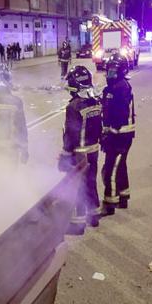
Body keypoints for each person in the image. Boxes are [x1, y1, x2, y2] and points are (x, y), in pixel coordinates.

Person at [59, 65, 103, 230]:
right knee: (91, 182)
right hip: (93, 150)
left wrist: (65, 155)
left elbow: (71, 134)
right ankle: (94, 216)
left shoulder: (73, 106)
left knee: (78, 186)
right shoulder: (95, 102)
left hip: (79, 154)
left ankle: (77, 223)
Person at [100, 54, 136, 216]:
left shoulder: (120, 88)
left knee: (110, 170)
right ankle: (123, 197)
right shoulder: (114, 87)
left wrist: (109, 133)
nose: (110, 74)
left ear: (121, 71)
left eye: (113, 71)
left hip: (120, 136)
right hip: (120, 135)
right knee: (120, 166)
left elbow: (119, 116)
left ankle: (110, 203)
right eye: (109, 70)